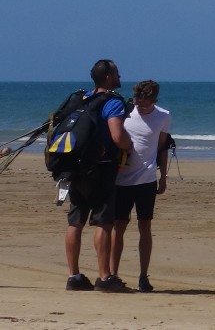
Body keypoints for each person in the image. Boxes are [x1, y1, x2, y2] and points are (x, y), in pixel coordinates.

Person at [59, 59, 131, 292]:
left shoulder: (81, 98)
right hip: (101, 168)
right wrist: (131, 146)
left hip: (75, 167)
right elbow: (118, 136)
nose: (120, 76)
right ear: (109, 77)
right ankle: (104, 277)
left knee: (76, 221)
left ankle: (74, 276)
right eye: (117, 72)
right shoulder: (112, 102)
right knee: (103, 221)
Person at [106, 80, 172, 292]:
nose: (140, 106)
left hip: (147, 179)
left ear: (154, 100)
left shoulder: (163, 116)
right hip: (121, 180)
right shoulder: (125, 113)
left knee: (145, 226)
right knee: (119, 226)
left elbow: (162, 148)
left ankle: (143, 277)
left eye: (145, 103)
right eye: (138, 102)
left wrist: (163, 177)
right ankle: (113, 274)